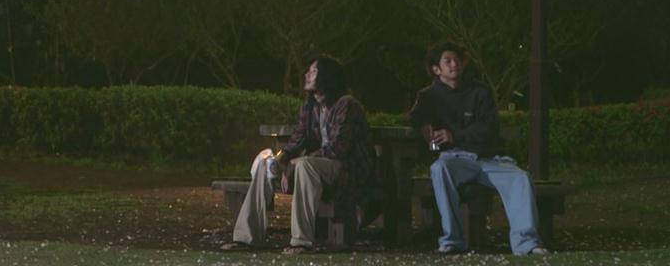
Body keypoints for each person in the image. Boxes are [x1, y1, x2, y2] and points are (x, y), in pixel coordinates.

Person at [408, 41, 549, 256]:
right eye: (448, 61)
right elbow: (415, 116)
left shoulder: (479, 91)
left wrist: (454, 135)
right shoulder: (428, 96)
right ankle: (452, 240)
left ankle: (527, 244)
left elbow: (489, 127)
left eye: (456, 59)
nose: (454, 64)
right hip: (455, 159)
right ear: (437, 69)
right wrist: (424, 125)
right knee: (439, 169)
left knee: (521, 178)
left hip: (487, 159)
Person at [228, 56, 374, 254]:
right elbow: (297, 139)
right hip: (315, 169)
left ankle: (301, 241)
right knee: (266, 164)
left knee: (305, 164)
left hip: (345, 170)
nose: (307, 75)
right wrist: (282, 158)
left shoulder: (347, 105)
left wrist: (297, 162)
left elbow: (338, 149)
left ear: (327, 76)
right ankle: (246, 238)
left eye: (313, 71)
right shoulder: (311, 106)